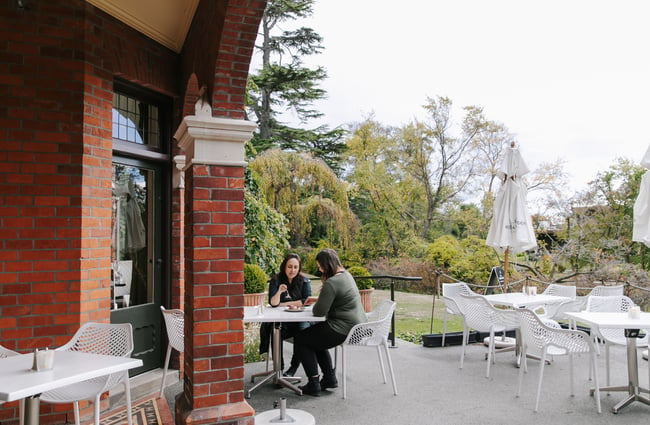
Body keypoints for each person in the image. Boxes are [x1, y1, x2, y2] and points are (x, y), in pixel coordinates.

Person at [293, 248, 366, 396]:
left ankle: (314, 384)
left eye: (320, 267)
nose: (319, 270)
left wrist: (318, 301)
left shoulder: (332, 282)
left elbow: (319, 312)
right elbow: (337, 300)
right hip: (357, 327)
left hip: (343, 328)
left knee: (301, 339)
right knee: (316, 338)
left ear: (326, 265)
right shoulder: (346, 275)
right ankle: (329, 379)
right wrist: (318, 299)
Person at [259, 253, 312, 377]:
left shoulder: (304, 281)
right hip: (282, 321)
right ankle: (279, 369)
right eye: (289, 267)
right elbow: (273, 303)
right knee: (275, 331)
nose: (292, 270)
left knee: (302, 331)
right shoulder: (276, 280)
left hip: (298, 320)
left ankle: (293, 368)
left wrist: (283, 304)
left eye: (295, 267)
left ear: (299, 268)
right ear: (284, 267)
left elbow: (305, 301)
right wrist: (279, 291)